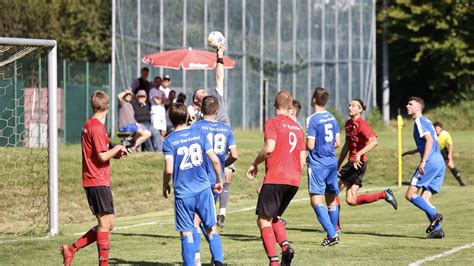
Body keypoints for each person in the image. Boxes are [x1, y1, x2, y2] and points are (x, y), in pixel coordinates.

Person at [60, 91, 128, 266]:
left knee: (108, 223)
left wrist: (114, 152)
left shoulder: (91, 124)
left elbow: (103, 152)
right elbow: (101, 157)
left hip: (97, 179)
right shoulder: (96, 127)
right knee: (105, 224)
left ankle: (71, 249)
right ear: (107, 107)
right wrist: (119, 147)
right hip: (96, 180)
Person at [246, 90, 306, 266]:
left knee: (263, 220)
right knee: (274, 217)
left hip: (276, 178)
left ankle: (274, 261)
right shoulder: (298, 128)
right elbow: (302, 160)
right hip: (294, 180)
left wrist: (254, 163)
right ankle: (286, 247)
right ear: (290, 107)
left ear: (275, 106)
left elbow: (269, 148)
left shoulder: (272, 123)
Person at [162, 102, 225, 266]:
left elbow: (169, 169)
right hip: (204, 189)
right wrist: (219, 181)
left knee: (186, 233)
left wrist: (165, 185)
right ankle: (218, 262)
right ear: (187, 117)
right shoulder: (198, 135)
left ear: (170, 119)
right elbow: (215, 160)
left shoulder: (168, 141)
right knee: (211, 228)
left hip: (184, 194)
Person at [336, 99, 397, 232]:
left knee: (333, 190)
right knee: (351, 200)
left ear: (360, 110)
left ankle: (336, 228)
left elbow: (374, 141)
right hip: (354, 163)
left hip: (357, 163)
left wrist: (359, 154)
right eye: (349, 105)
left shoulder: (362, 124)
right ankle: (384, 195)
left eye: (353, 106)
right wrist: (339, 163)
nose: (350, 107)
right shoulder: (348, 124)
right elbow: (347, 145)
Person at [190, 95, 238, 265]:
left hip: (198, 179)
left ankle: (197, 260)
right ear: (217, 110)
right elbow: (235, 155)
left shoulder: (195, 127)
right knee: (208, 219)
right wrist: (224, 163)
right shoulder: (226, 129)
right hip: (216, 180)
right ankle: (217, 259)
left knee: (196, 220)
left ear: (201, 109)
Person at [403, 97, 445, 239]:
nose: (407, 106)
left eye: (410, 104)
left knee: (409, 195)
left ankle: (435, 214)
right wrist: (412, 152)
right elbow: (430, 142)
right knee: (425, 198)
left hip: (430, 162)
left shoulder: (419, 121)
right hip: (439, 162)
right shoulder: (428, 122)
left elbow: (429, 141)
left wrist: (423, 161)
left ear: (418, 108)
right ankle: (437, 230)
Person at [306, 87, 341, 247]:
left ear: (314, 99)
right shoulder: (332, 118)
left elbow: (311, 145)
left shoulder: (312, 119)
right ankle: (334, 231)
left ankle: (332, 234)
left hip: (318, 164)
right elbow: (337, 143)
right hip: (332, 162)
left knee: (316, 200)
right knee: (331, 199)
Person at [433, 121, 465, 186]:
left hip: (443, 151)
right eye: (435, 128)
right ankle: (432, 183)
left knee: (450, 165)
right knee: (435, 167)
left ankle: (461, 182)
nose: (436, 129)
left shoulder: (445, 134)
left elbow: (450, 144)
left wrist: (450, 155)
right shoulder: (431, 135)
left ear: (441, 128)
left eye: (438, 128)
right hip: (435, 152)